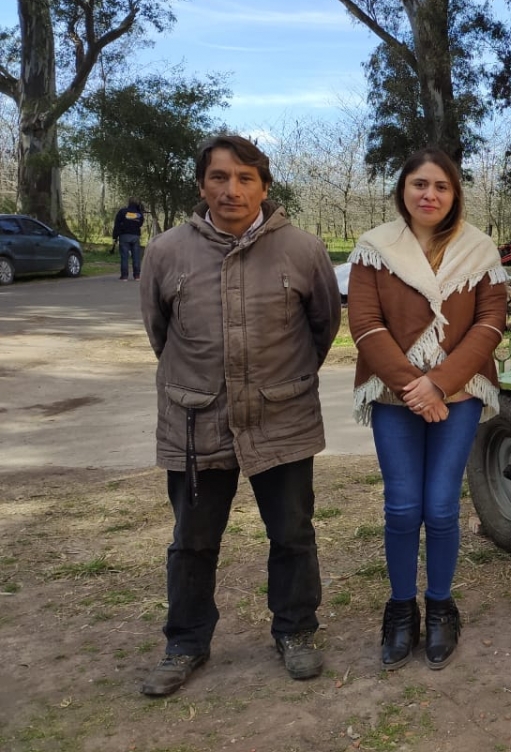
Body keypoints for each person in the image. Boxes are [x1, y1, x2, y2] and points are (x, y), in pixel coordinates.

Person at [139, 135, 341, 697]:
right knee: (192, 540)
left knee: (293, 533)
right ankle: (185, 643)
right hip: (196, 421)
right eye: (220, 178)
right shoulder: (165, 252)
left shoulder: (303, 249)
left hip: (283, 419)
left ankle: (297, 631)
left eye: (245, 178)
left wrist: (281, 383)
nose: (232, 190)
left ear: (264, 187)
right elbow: (161, 333)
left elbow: (322, 328)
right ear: (201, 184)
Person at [347, 149, 507, 671]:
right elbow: (365, 323)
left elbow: (489, 324)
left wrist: (438, 384)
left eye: (440, 186)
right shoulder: (375, 248)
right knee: (401, 507)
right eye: (419, 184)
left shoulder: (479, 250)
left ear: (455, 194)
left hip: (458, 395)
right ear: (403, 191)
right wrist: (413, 385)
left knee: (439, 507)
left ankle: (440, 605)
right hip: (394, 396)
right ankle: (400, 609)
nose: (429, 195)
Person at [112, 197, 145, 280]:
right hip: (135, 236)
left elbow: (117, 224)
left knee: (124, 256)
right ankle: (137, 275)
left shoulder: (122, 212)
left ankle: (124, 276)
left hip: (124, 236)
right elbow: (140, 223)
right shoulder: (139, 213)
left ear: (128, 203)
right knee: (136, 256)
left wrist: (115, 236)